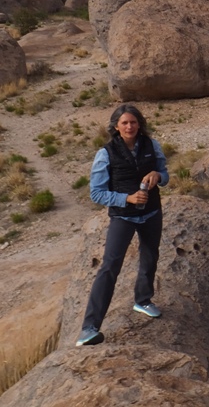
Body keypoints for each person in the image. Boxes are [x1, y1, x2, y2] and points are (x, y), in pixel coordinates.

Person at [76, 104, 169, 347]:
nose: (129, 127)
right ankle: (90, 327)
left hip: (151, 212)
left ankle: (143, 300)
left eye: (134, 122)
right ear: (116, 126)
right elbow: (96, 193)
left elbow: (164, 173)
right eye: (124, 123)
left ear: (140, 125)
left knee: (150, 256)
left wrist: (157, 176)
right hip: (123, 216)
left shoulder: (152, 145)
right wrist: (126, 199)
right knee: (110, 266)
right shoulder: (106, 153)